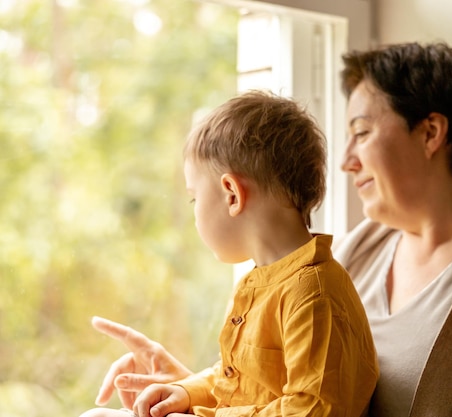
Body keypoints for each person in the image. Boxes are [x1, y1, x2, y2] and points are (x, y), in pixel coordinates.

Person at [88, 42, 452, 416]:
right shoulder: (347, 256)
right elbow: (296, 389)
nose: (344, 161)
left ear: (431, 132)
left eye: (362, 132)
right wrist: (186, 387)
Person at [80, 90, 379, 417]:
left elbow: (315, 408)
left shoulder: (314, 294)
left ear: (232, 194)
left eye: (195, 199)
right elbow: (235, 380)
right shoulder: (259, 284)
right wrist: (185, 392)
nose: (195, 213)